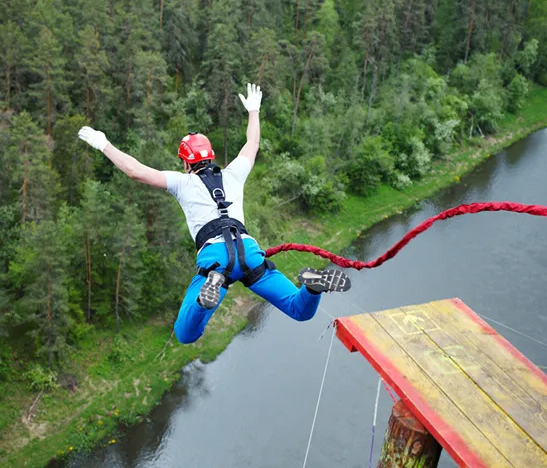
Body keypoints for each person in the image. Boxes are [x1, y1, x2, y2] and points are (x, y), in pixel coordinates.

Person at [78, 83, 351, 344]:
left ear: (186, 163)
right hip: (249, 251)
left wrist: (104, 145)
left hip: (215, 259)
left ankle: (203, 298)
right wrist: (253, 111)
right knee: (299, 310)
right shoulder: (233, 174)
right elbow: (253, 143)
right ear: (210, 156)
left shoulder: (182, 182)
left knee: (185, 334)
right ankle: (313, 287)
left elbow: (135, 171)